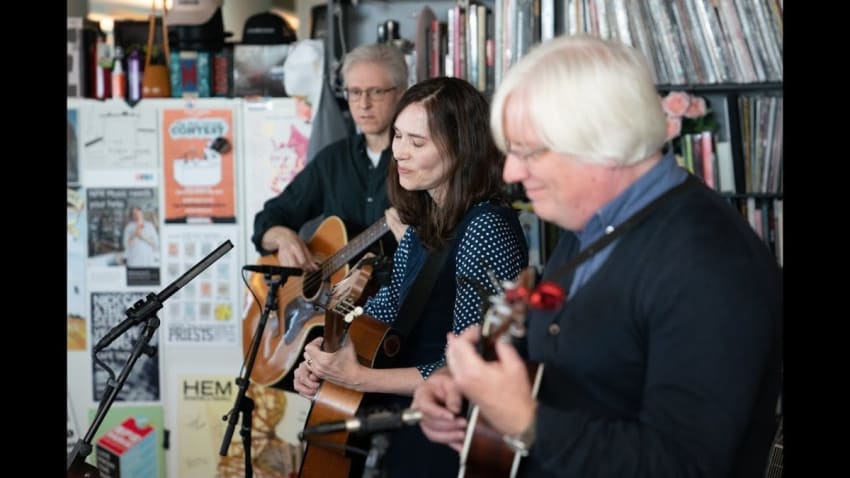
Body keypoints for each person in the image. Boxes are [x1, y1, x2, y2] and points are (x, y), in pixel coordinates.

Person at [412, 35, 783, 478]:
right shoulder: (589, 222)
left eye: (527, 152)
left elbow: (686, 465)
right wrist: (470, 382)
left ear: (602, 143)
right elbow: (559, 337)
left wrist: (527, 422)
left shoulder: (714, 264)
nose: (510, 173)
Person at [292, 76, 529, 477]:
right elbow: (380, 314)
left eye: (417, 143)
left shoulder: (486, 227)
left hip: (448, 435)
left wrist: (360, 377)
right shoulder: (423, 223)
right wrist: (324, 356)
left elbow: (475, 365)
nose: (399, 152)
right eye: (398, 137)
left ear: (462, 148)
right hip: (407, 426)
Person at [252, 42, 409, 270]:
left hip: (398, 300)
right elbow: (269, 218)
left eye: (376, 92)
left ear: (401, 94)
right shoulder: (332, 160)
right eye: (355, 92)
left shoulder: (420, 163)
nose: (364, 104)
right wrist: (283, 238)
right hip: (332, 302)